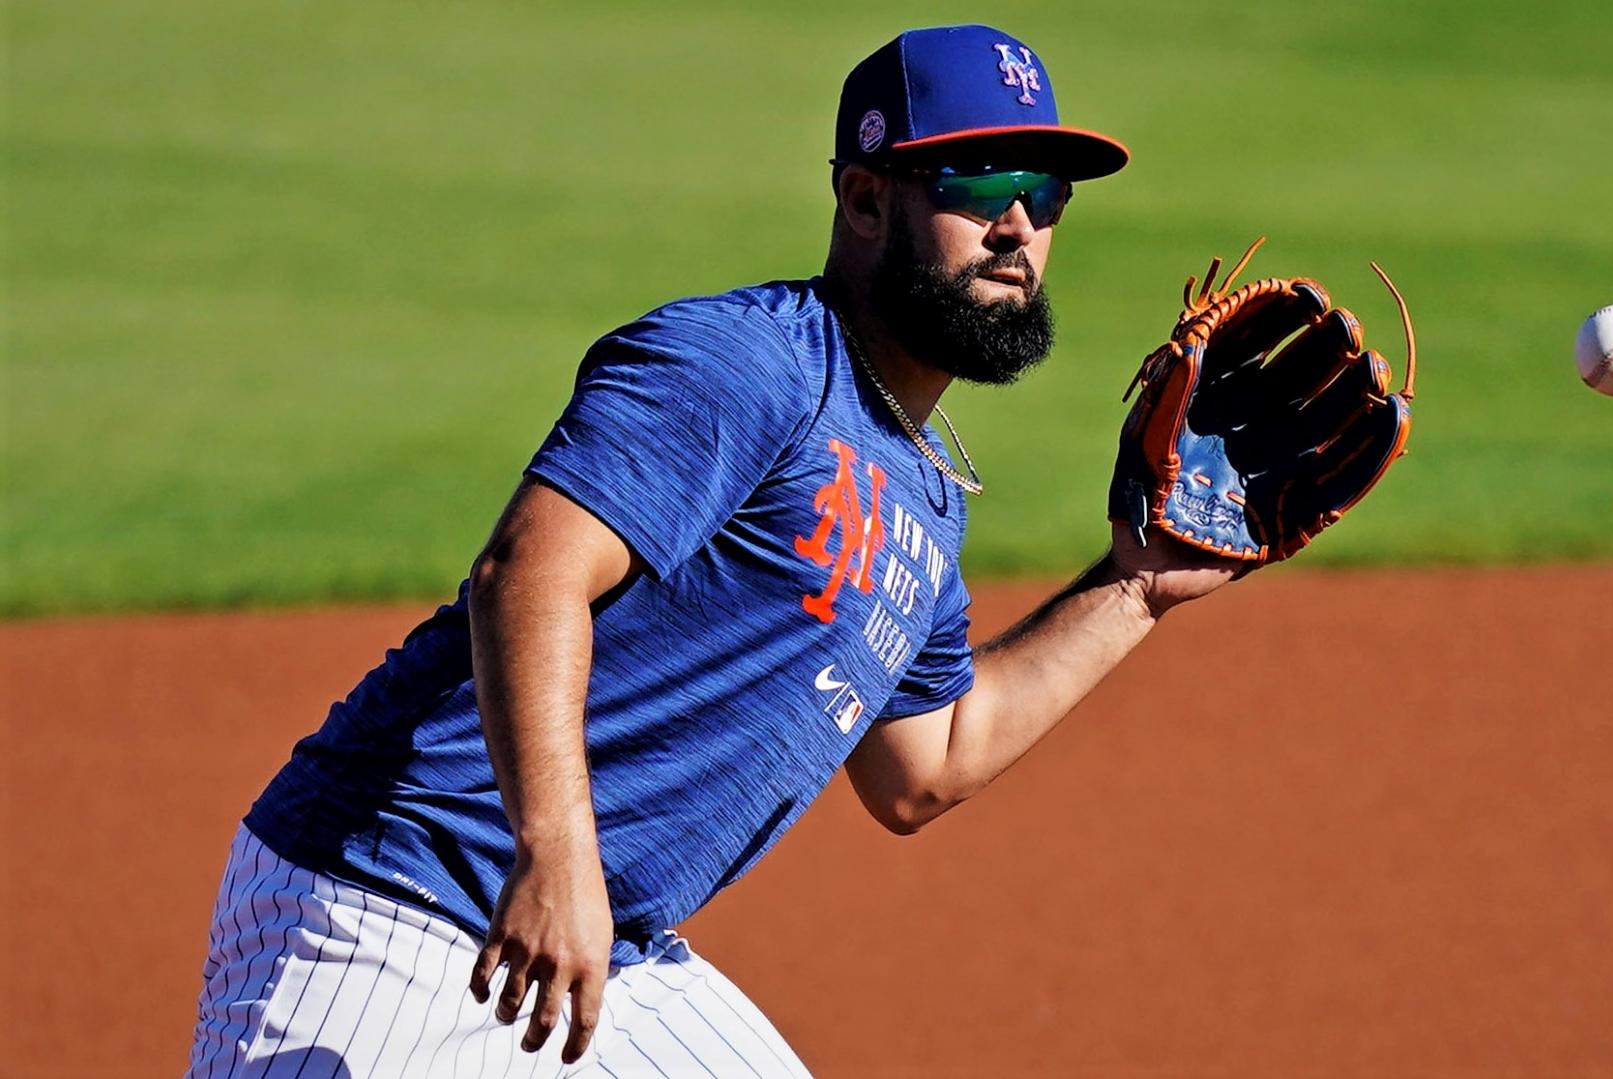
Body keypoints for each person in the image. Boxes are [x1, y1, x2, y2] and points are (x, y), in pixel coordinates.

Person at [187, 23, 1239, 1076]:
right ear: (867, 199)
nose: (1018, 224)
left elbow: (929, 762)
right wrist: (555, 851)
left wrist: (1136, 587)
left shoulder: (924, 496)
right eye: (980, 179)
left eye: (1047, 192)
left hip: (608, 951)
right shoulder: (748, 360)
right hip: (390, 903)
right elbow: (530, 569)